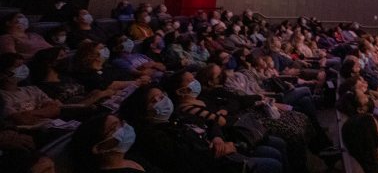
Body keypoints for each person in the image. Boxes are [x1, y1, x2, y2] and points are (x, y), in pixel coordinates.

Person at [119, 85, 282, 173]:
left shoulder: (175, 116)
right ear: (143, 111)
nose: (163, 101)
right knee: (272, 162)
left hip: (225, 146)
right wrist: (226, 148)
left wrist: (218, 138)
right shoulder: (154, 136)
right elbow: (187, 160)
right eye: (155, 100)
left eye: (162, 96)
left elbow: (212, 124)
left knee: (275, 148)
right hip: (218, 163)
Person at [69, 113, 155, 172]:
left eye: (121, 124)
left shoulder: (132, 157)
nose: (124, 127)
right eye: (114, 128)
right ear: (99, 147)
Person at [0, 53, 62, 126]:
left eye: (23, 65)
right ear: (4, 72)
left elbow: (55, 109)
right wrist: (44, 112)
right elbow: (22, 120)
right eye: (18, 66)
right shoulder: (2, 96)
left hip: (52, 126)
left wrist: (30, 113)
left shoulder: (32, 89)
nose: (23, 69)